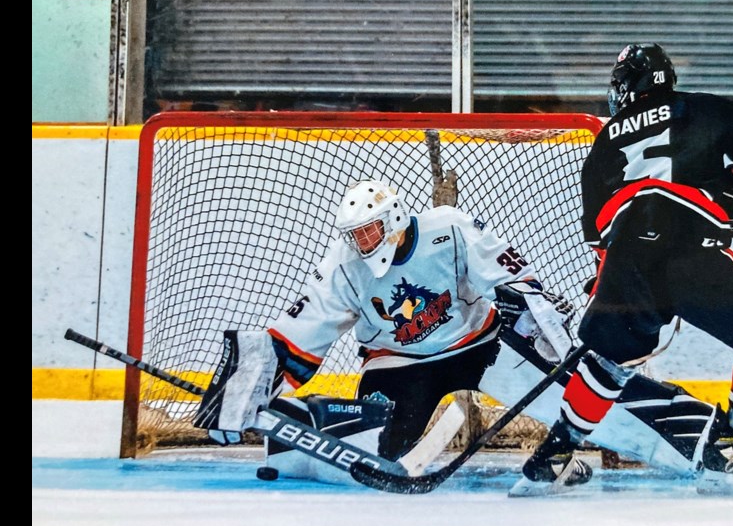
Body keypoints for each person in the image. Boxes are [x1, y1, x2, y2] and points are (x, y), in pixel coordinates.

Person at [511, 43, 733, 497]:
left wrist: (610, 284)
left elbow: (600, 237)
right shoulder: (704, 109)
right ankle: (731, 444)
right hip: (693, 251)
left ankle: (554, 455)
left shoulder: (605, 140)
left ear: (630, 86)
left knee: (609, 363)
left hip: (627, 263)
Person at [192, 178, 584, 481]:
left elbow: (507, 278)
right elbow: (301, 332)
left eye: (369, 230)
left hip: (480, 344)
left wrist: (533, 313)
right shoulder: (343, 267)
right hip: (399, 361)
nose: (363, 242)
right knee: (371, 456)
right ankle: (300, 421)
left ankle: (567, 455)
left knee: (576, 405)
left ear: (393, 217)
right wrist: (241, 393)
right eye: (356, 234)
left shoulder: (450, 227)